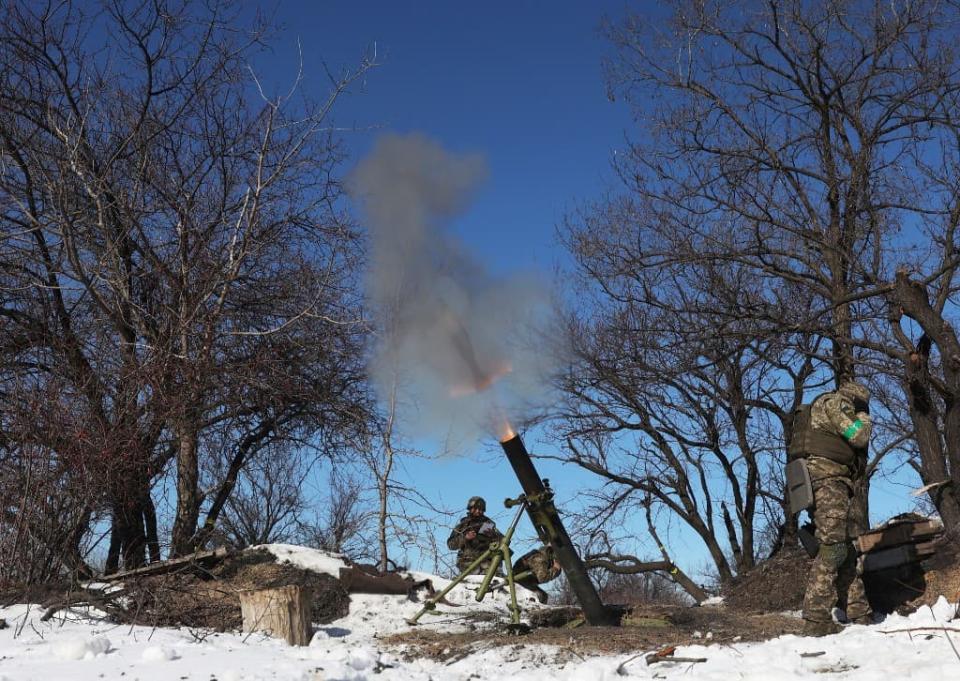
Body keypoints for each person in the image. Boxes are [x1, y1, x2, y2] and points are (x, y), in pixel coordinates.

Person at [800, 380, 873, 636]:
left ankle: (858, 610)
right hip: (827, 479)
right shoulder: (837, 402)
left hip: (828, 479)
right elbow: (857, 435)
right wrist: (863, 417)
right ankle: (816, 619)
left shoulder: (828, 404)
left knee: (844, 547)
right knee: (832, 547)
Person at [447, 496, 503, 574]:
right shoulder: (462, 526)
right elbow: (451, 545)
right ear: (470, 508)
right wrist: (465, 537)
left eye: (480, 509)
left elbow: (502, 542)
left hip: (488, 566)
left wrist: (492, 536)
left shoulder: (488, 524)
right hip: (468, 566)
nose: (478, 511)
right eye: (475, 508)